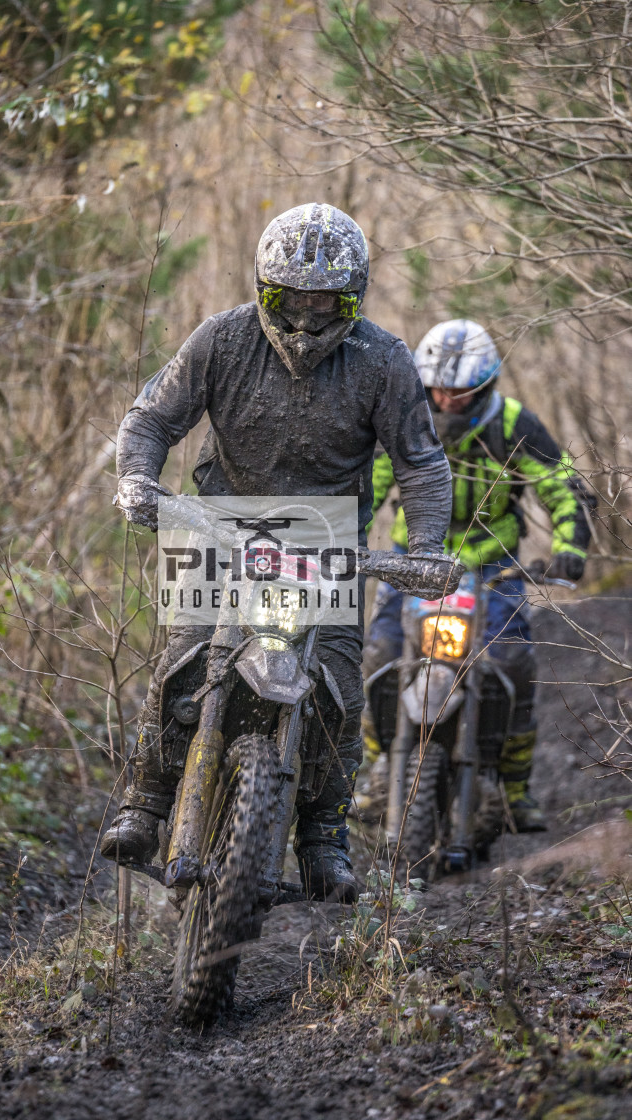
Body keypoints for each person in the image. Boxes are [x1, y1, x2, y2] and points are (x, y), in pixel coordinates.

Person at [99, 203, 453, 901]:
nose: (308, 313)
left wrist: (426, 549)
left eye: (326, 298)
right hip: (216, 521)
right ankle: (144, 801)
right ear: (267, 290)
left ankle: (323, 836)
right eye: (292, 295)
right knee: (179, 661)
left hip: (325, 538)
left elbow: (420, 463)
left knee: (341, 692)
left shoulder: (384, 360)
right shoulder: (221, 340)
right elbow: (151, 417)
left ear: (352, 297)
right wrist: (137, 479)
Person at [360, 319, 594, 831]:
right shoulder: (404, 419)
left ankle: (514, 789)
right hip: (414, 559)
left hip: (494, 565)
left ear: (485, 386)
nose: (447, 402)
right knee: (377, 652)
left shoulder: (514, 424)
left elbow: (561, 485)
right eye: (438, 390)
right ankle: (376, 764)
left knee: (513, 662)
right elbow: (370, 484)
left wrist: (570, 547)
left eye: (460, 393)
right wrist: (343, 538)